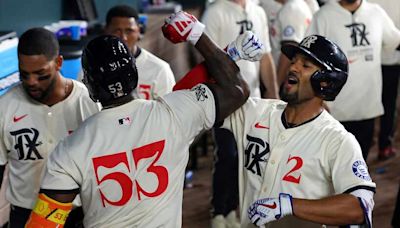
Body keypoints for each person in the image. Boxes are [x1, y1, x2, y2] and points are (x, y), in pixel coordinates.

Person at [24, 11, 265, 227]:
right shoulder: (174, 113)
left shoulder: (70, 150)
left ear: (89, 85)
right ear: (135, 73)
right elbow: (236, 90)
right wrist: (199, 36)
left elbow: (43, 224)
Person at [174, 35, 376, 227]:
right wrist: (229, 53)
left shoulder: (337, 140)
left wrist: (289, 205)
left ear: (325, 82)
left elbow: (361, 206)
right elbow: (183, 97)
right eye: (294, 61)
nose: (293, 67)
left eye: (305, 65)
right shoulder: (255, 112)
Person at [0, 28, 100, 227]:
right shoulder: (5, 106)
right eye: (24, 74)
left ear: (58, 63)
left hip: (78, 214)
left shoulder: (87, 101)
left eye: (41, 74)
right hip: (25, 214)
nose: (32, 82)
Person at [201, 1, 279, 226]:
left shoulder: (258, 10)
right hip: (223, 99)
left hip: (252, 100)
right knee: (227, 155)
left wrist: (272, 94)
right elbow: (206, 60)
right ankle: (218, 210)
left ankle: (233, 208)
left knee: (247, 157)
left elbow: (265, 57)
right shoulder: (215, 12)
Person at [305, 0, 400, 160]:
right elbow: (308, 57)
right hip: (333, 110)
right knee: (330, 165)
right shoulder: (324, 15)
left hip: (367, 108)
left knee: (359, 164)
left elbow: (394, 40)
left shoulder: (375, 12)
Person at [105, 5, 175, 100]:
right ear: (106, 31)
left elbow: (168, 111)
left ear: (139, 32)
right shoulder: (92, 66)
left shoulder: (159, 69)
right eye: (117, 31)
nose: (123, 37)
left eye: (129, 31)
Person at [368, 0, 400, 160]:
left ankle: (372, 140)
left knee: (371, 102)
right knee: (388, 104)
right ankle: (384, 145)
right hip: (388, 59)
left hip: (370, 60)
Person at [266, 0, 313, 87]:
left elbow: (289, 53)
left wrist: (276, 87)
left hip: (286, 80)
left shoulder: (292, 8)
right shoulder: (298, 5)